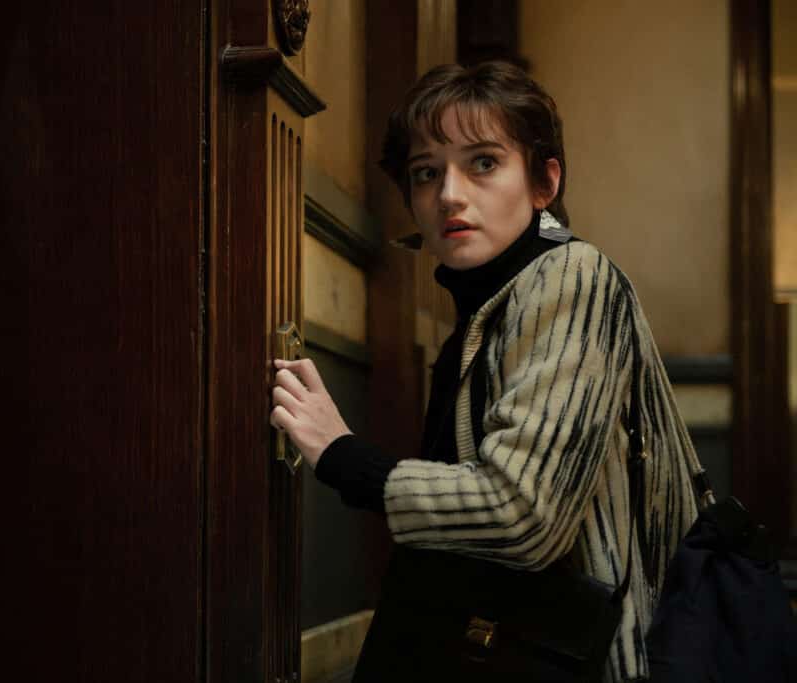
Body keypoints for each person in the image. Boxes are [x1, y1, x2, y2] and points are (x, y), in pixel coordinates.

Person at [269, 61, 703, 682]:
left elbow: (522, 513)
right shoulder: (491, 304)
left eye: (483, 163)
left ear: (543, 182)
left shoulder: (572, 276)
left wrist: (344, 456)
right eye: (426, 172)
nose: (449, 194)